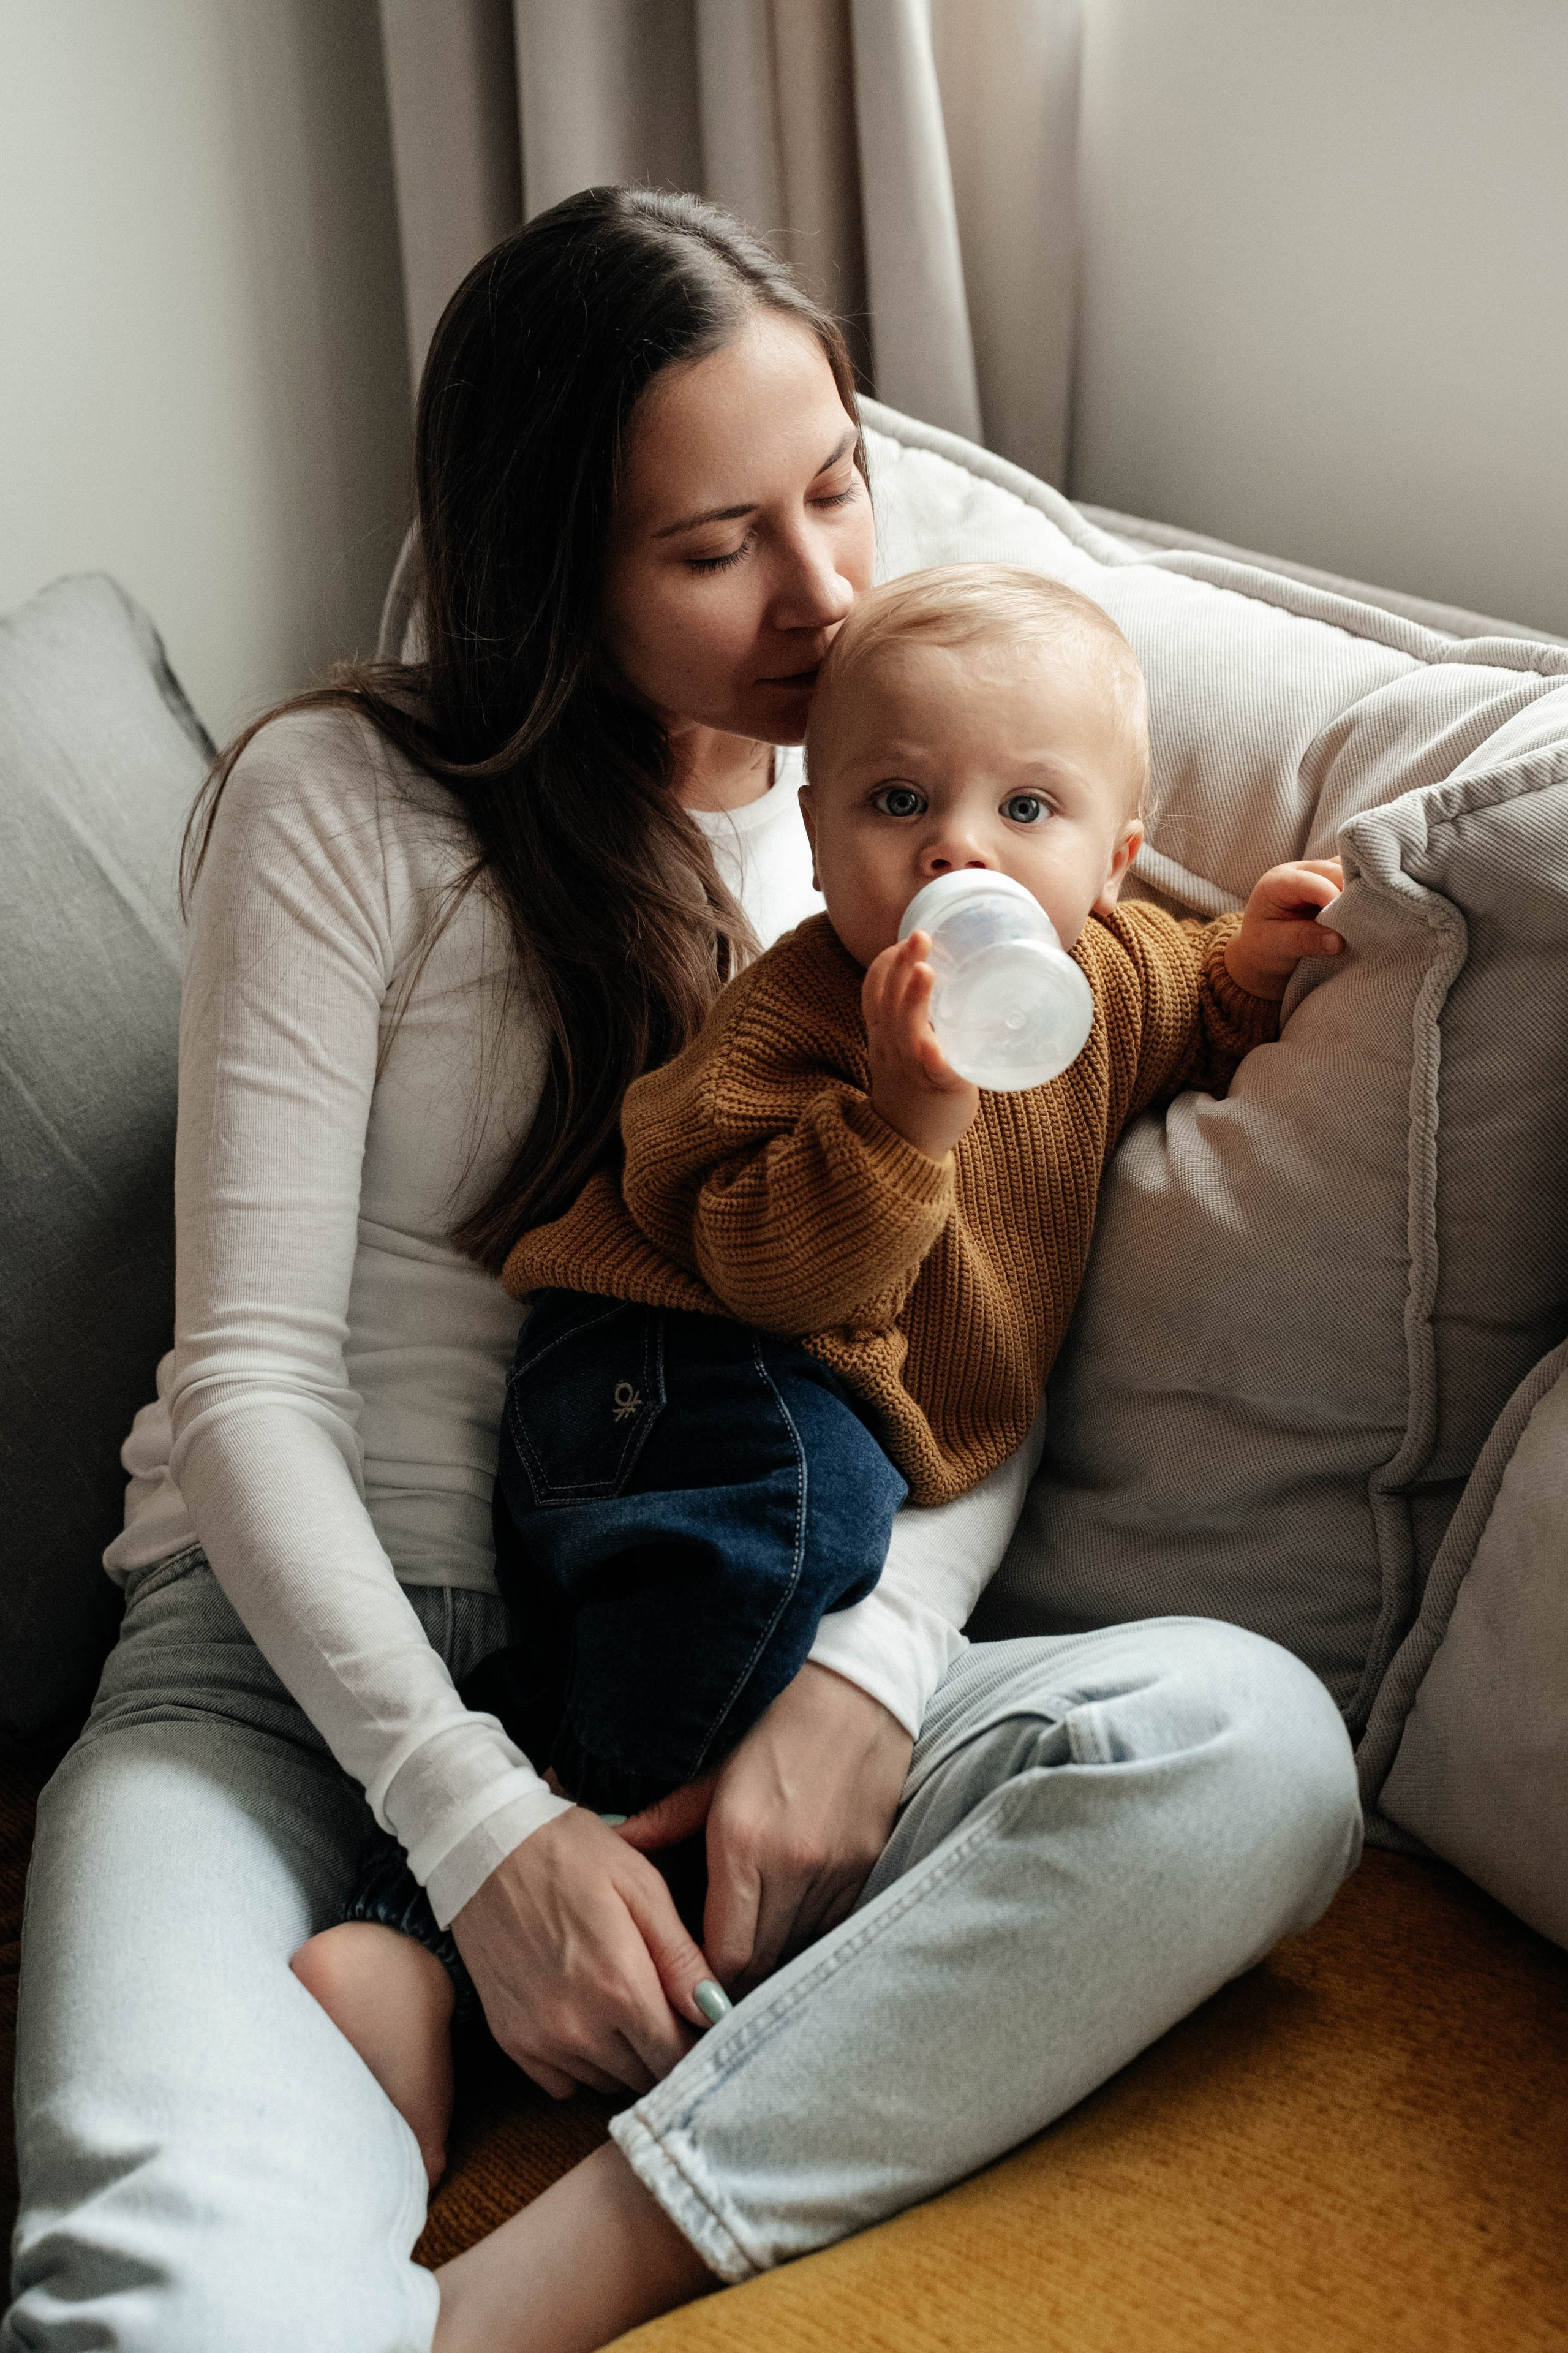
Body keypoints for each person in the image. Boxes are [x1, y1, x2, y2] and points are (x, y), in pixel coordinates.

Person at [5, 190, 1362, 2353]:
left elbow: (983, 1310)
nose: (826, 589)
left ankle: (538, 2291)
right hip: (297, 1672)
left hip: (735, 1623)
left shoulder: (930, 815)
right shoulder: (343, 798)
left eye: (837, 485)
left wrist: (877, 1679)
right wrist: (478, 1830)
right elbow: (249, 1377)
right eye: (716, 546)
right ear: (558, 559)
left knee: (1250, 1748)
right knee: (156, 2298)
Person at [291, 562, 1348, 2186]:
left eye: (1028, 806)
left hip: (780, 1425)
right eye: (901, 798)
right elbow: (785, 1270)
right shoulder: (792, 1017)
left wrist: (1256, 970)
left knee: (799, 1532)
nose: (957, 850)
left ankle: (555, 1884)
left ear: (1118, 857)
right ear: (818, 819)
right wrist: (902, 1118)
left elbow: (1189, 1003)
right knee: (804, 1510)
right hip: (646, 1361)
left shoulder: (1117, 977)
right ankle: (450, 1909)